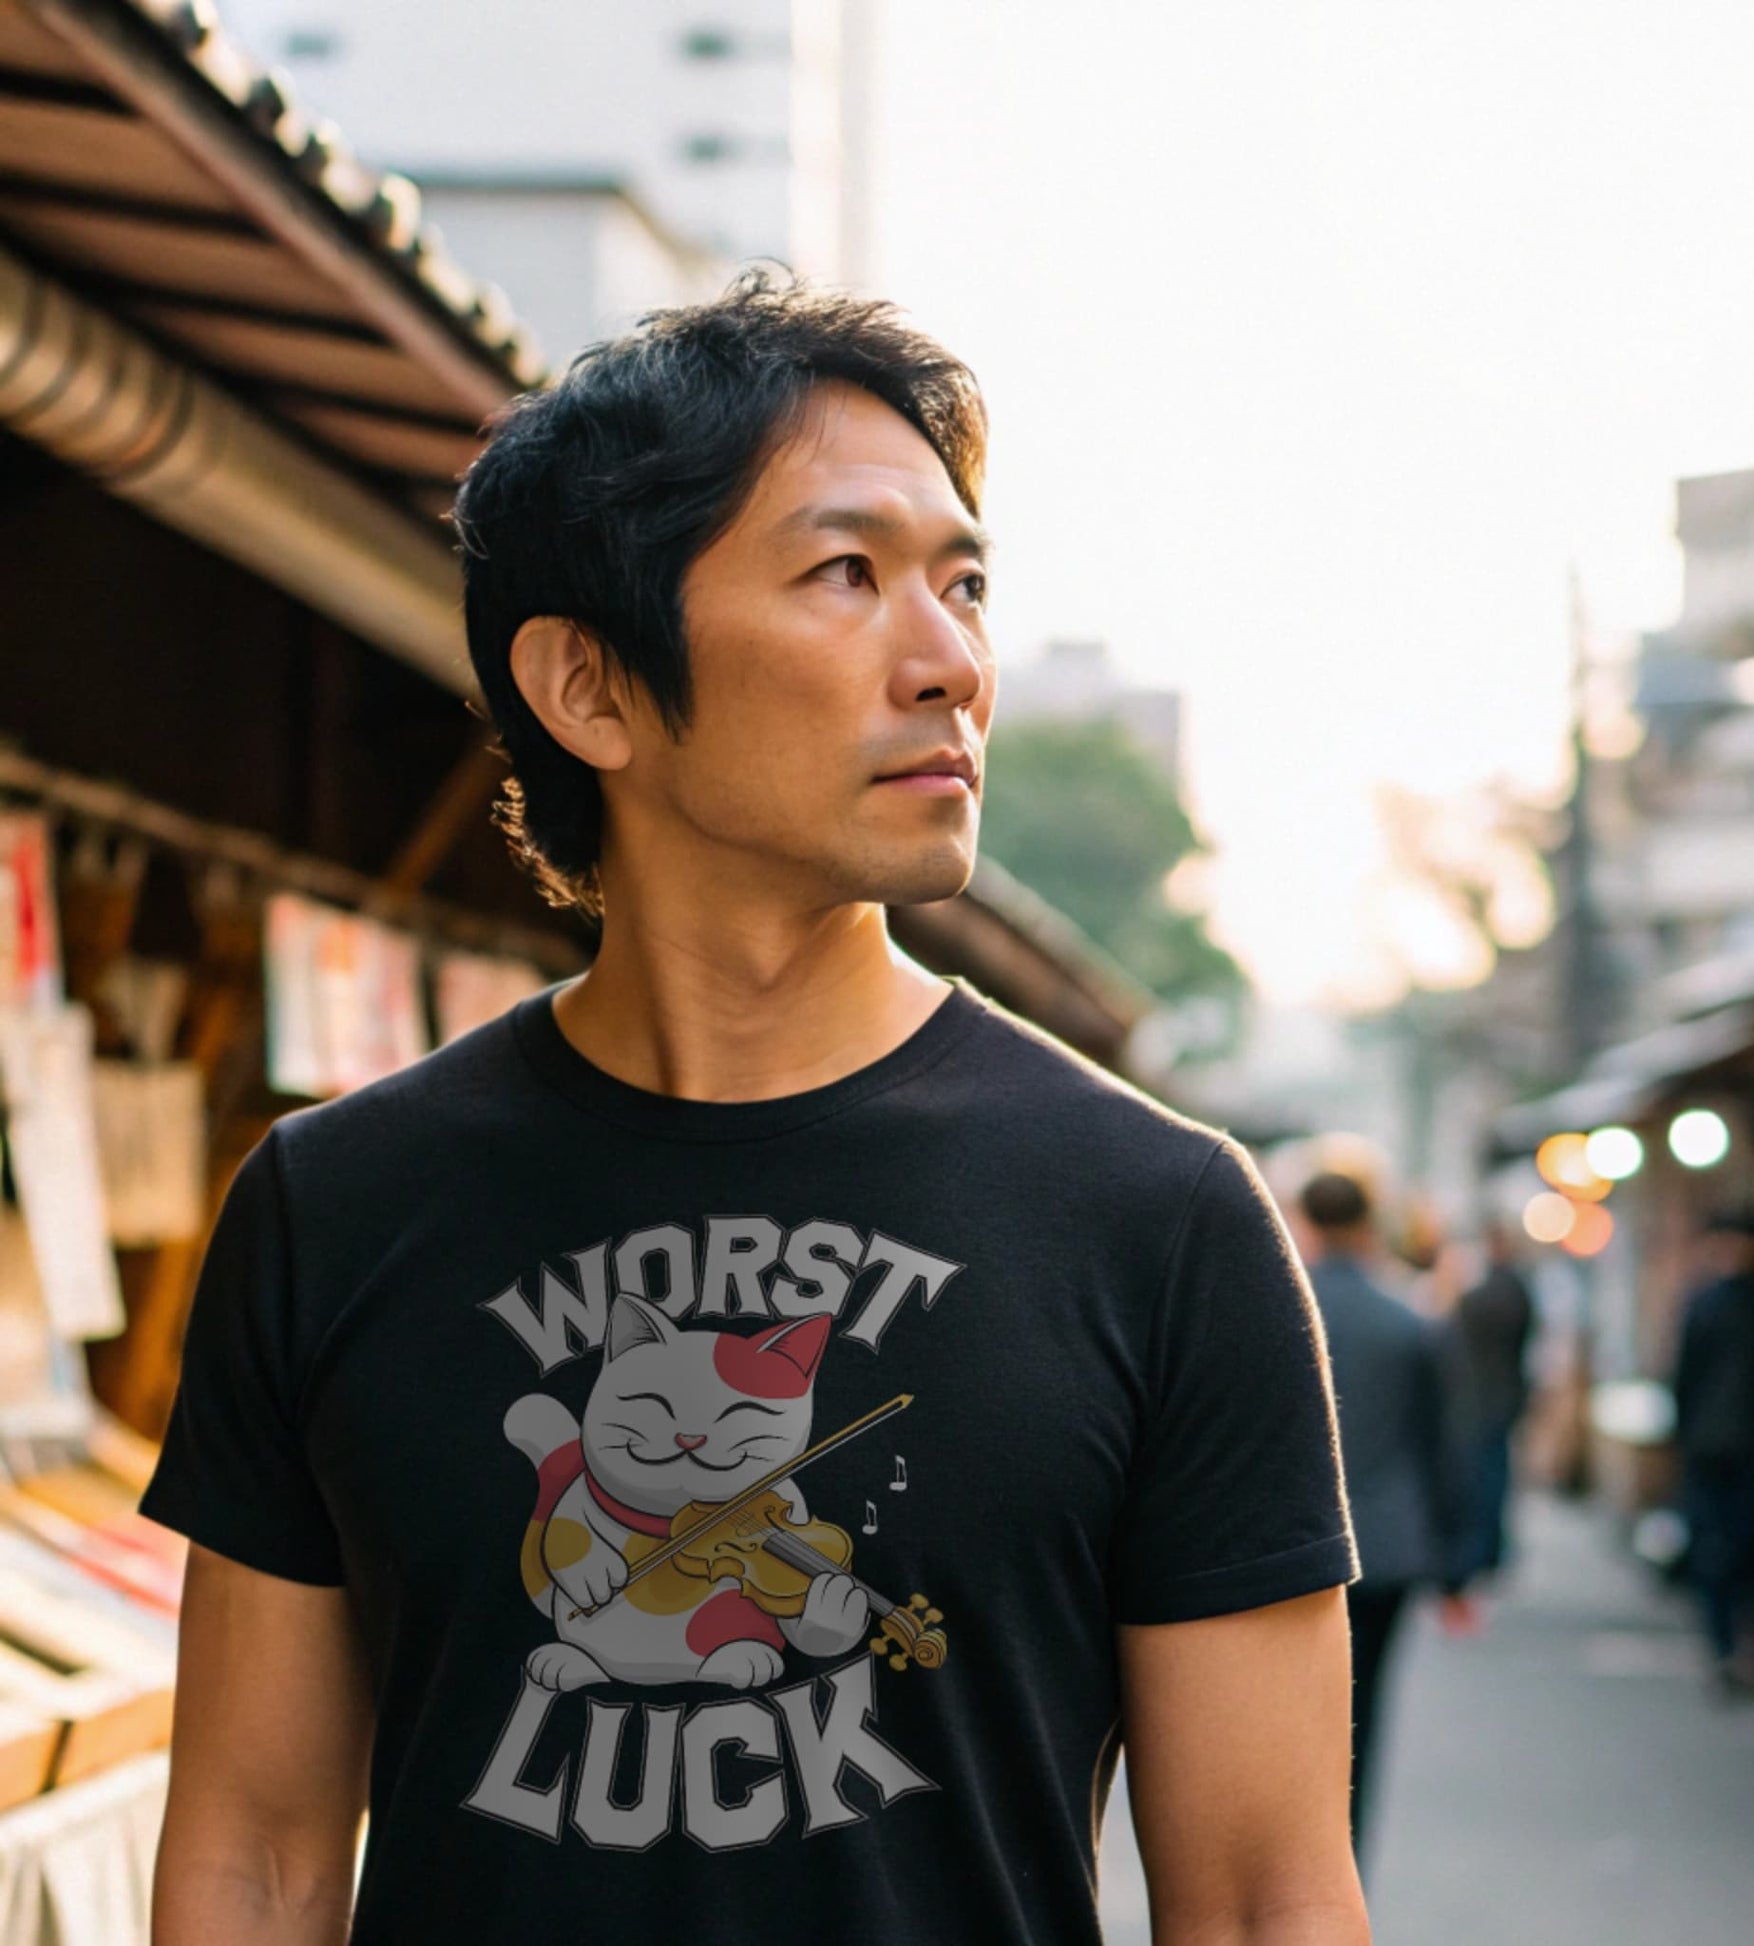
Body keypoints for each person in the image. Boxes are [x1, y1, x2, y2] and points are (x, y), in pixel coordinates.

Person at [138, 274, 1369, 1945]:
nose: (949, 665)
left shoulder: (1155, 1217)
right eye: (846, 574)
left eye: (966, 585)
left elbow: (1259, 1900)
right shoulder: (335, 1206)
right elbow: (259, 1852)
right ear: (590, 688)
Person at [1295, 1171, 1471, 1863]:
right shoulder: (1410, 1320)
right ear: (1370, 1225)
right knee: (1362, 1719)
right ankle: (1345, 1870)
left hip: (1293, 1546)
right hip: (1391, 1546)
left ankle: (1295, 1870)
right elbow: (1444, 1443)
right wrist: (1458, 1563)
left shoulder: (1278, 1309)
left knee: (1288, 1721)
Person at [1672, 1209, 1754, 1691]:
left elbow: (1684, 1377)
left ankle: (1725, 1643)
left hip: (1712, 1443)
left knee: (1716, 1545)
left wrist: (1683, 1434)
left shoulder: (1705, 1301)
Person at [1451, 1220, 1536, 1581]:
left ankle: (1483, 1547)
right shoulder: (1518, 1289)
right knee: (1495, 1474)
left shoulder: (1487, 1294)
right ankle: (1491, 1546)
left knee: (1486, 1476)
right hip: (1504, 1395)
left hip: (1484, 1398)